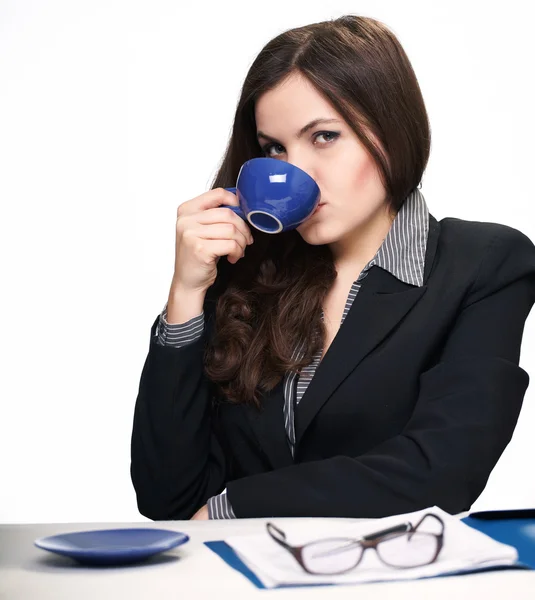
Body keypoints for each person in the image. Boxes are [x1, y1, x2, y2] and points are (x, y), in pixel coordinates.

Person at [130, 15, 535, 521]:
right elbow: (166, 497)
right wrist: (186, 296)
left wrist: (233, 508)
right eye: (274, 148)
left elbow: (442, 472)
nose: (294, 171)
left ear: (391, 128)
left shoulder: (485, 263)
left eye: (323, 137)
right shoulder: (245, 269)